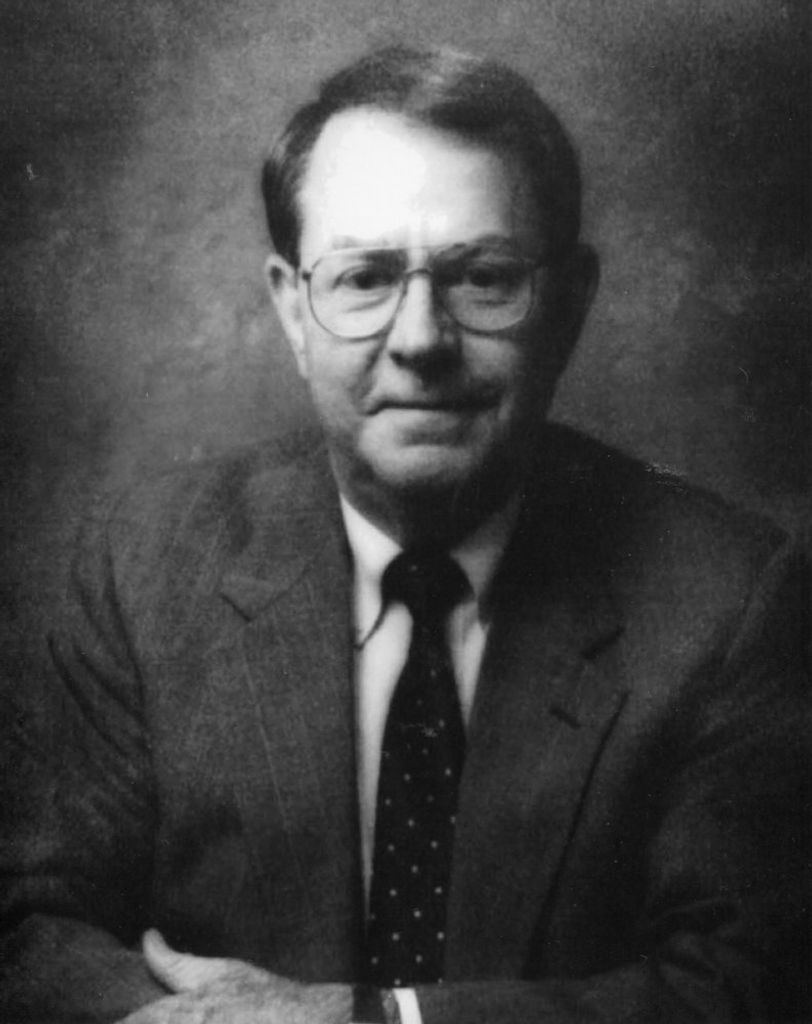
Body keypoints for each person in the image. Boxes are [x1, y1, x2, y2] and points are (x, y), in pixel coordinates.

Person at [0, 45, 808, 1024]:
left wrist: (370, 1022)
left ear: (569, 305)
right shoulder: (141, 563)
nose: (421, 339)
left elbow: (743, 985)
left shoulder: (729, 595)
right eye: (365, 277)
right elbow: (29, 925)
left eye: (483, 277)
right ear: (293, 308)